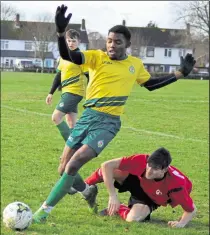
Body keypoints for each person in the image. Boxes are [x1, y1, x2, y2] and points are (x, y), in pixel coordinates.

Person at [33, 5, 196, 223]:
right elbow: (67, 54)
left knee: (73, 164)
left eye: (117, 42)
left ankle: (43, 212)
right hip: (88, 116)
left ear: (127, 44)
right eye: (109, 40)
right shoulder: (96, 57)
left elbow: (151, 84)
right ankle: (87, 192)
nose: (111, 45)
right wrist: (61, 32)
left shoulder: (134, 65)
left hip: (107, 123)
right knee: (63, 168)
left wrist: (179, 74)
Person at [84, 147, 196, 228]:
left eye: (155, 169)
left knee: (133, 219)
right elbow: (106, 165)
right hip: (138, 181)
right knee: (111, 170)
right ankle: (84, 185)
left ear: (165, 169)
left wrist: (181, 224)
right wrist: (112, 195)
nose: (149, 171)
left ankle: (118, 209)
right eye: (149, 165)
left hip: (151, 197)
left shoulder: (176, 185)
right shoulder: (142, 160)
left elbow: (191, 210)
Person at [45, 29, 89, 142]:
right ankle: (73, 150)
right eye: (68, 41)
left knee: (56, 117)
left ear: (79, 41)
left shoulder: (80, 57)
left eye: (73, 41)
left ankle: (74, 147)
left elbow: (89, 76)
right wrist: (51, 93)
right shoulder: (63, 56)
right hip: (67, 92)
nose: (71, 43)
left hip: (74, 93)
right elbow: (58, 75)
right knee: (72, 123)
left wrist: (91, 95)